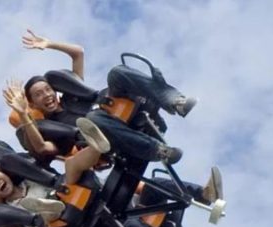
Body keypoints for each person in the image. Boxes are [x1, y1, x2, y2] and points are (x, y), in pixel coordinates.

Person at [17, 29, 186, 164]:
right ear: (33, 104)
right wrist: (23, 114)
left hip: (119, 108)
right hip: (111, 139)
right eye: (38, 94)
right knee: (93, 119)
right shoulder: (53, 128)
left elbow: (78, 53)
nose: (46, 95)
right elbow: (43, 148)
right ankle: (159, 151)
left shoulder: (72, 96)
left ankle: (175, 101)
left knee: (116, 72)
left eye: (47, 89)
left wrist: (49, 44)